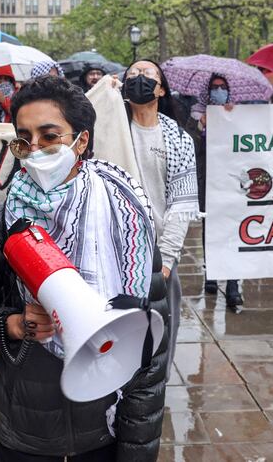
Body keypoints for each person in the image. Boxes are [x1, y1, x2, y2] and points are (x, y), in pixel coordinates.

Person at [0, 76, 168, 461]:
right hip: (24, 430)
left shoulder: (126, 216)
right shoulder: (4, 218)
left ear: (81, 141)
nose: (34, 149)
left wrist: (136, 448)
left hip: (104, 428)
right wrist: (15, 324)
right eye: (24, 139)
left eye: (50, 136)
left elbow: (149, 353)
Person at [122, 60, 199, 373]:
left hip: (158, 252)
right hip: (117, 247)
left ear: (162, 88)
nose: (139, 78)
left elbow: (181, 205)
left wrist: (165, 262)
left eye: (147, 74)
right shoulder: (108, 128)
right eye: (133, 75)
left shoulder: (179, 140)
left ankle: (155, 387)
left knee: (160, 329)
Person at [186, 75, 242, 305]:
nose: (219, 91)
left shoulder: (239, 114)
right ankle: (211, 274)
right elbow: (188, 143)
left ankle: (233, 284)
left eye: (223, 87)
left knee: (234, 230)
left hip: (234, 183)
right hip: (209, 182)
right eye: (214, 88)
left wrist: (232, 118)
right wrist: (202, 124)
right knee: (210, 230)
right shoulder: (196, 114)